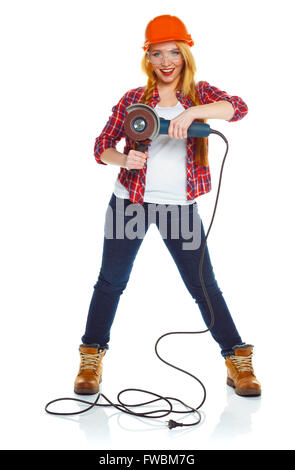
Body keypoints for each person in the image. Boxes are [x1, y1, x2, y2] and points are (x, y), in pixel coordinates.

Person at [74, 14, 261, 398]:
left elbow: (238, 108)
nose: (165, 61)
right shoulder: (133, 100)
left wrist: (193, 112)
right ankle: (91, 356)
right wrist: (123, 159)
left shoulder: (201, 95)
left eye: (173, 52)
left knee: (203, 285)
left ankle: (236, 359)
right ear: (148, 58)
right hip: (130, 204)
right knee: (111, 281)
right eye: (157, 53)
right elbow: (101, 148)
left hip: (178, 208)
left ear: (185, 54)